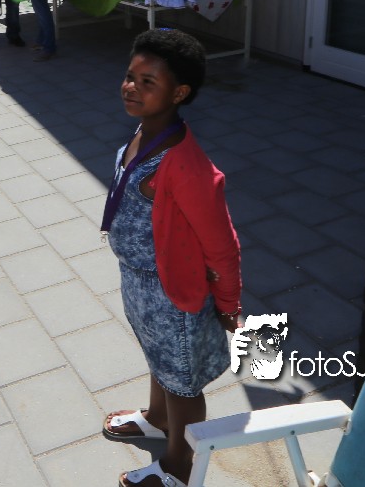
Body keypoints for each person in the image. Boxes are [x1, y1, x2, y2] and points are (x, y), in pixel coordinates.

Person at [99, 30, 241, 487]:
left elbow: (222, 244)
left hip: (171, 293)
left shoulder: (186, 165)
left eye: (148, 82)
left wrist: (229, 303)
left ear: (179, 93)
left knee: (181, 382)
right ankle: (158, 420)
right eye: (130, 76)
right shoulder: (145, 132)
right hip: (138, 279)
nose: (131, 87)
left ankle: (180, 464)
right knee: (157, 357)